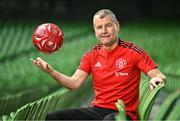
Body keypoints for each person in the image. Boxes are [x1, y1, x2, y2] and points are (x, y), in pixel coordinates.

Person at [31, 9, 166, 120]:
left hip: (123, 114)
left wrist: (156, 78)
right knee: (54, 117)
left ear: (117, 26)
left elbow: (160, 76)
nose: (104, 31)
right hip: (97, 110)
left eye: (108, 25)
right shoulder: (91, 55)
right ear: (95, 30)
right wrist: (50, 70)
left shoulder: (133, 52)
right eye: (99, 27)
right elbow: (74, 84)